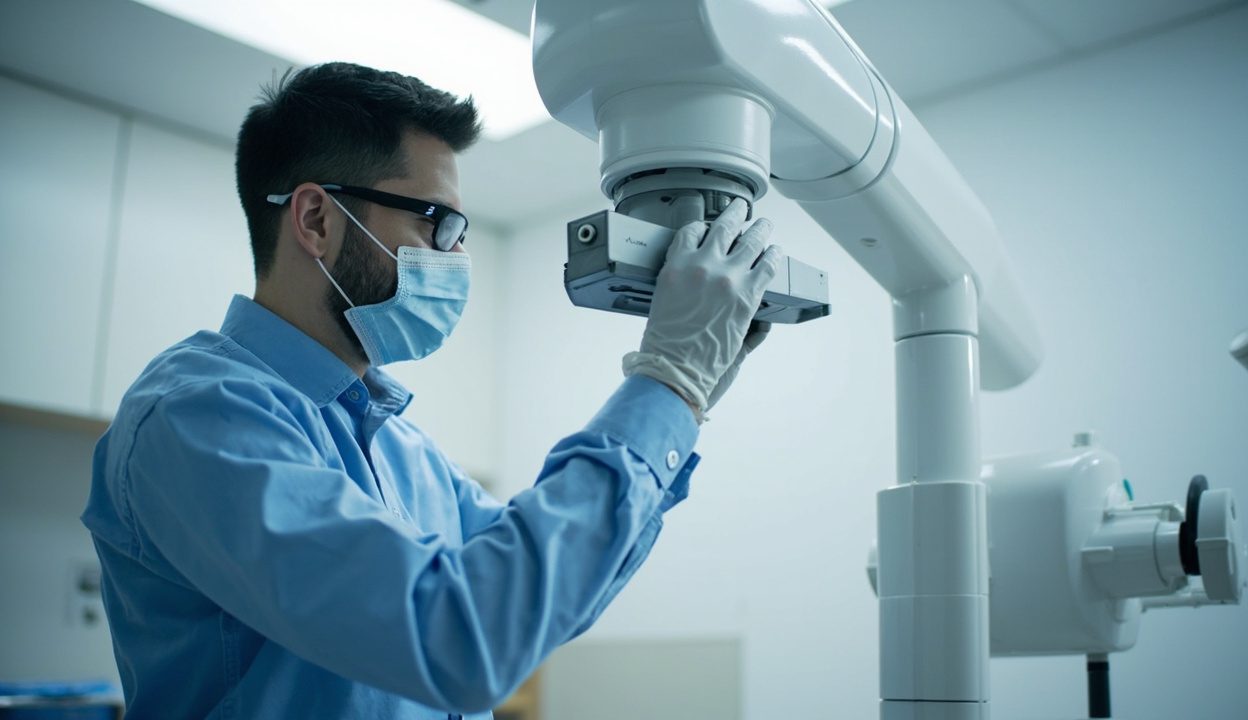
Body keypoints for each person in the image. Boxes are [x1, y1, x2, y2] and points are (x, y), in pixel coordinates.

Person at [81, 62, 781, 719]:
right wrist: (666, 383)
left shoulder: (403, 450)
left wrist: (688, 401)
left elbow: (530, 602)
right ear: (317, 219)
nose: (458, 257)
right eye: (436, 223)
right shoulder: (197, 416)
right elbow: (460, 637)